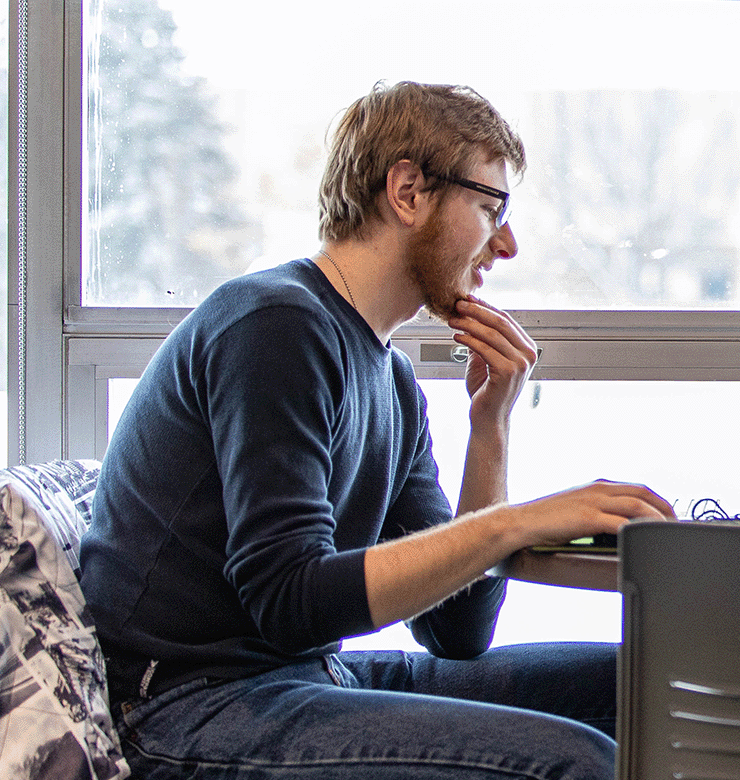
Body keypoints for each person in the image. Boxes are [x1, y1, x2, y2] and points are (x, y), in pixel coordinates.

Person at [78, 81, 673, 780]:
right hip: (190, 704)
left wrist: (490, 430)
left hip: (306, 676)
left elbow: (457, 631)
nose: (505, 244)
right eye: (490, 208)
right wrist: (514, 523)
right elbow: (289, 601)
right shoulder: (274, 325)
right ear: (409, 191)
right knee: (577, 764)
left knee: (641, 685)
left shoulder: (389, 379)